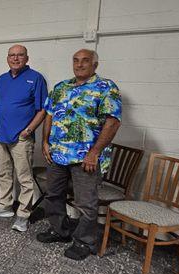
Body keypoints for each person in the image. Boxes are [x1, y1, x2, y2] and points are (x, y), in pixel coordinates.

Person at [37, 49, 122, 260]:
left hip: (86, 158)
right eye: (76, 60)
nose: (80, 64)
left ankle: (85, 241)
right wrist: (45, 141)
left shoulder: (106, 88)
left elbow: (113, 121)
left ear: (95, 65)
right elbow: (49, 114)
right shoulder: (61, 87)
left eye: (85, 61)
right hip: (57, 154)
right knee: (54, 194)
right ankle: (60, 230)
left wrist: (94, 152)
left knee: (86, 202)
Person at [0, 45, 48, 232]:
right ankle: (5, 206)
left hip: (21, 138)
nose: (15, 58)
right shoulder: (2, 79)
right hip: (1, 134)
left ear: (27, 58)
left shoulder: (36, 79)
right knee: (3, 172)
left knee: (24, 177)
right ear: (7, 58)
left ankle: (23, 214)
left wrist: (28, 130)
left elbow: (43, 110)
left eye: (20, 55)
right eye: (12, 55)